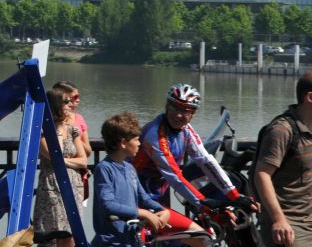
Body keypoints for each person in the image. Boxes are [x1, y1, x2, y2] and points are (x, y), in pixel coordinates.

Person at [92, 111, 207, 247]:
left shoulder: (129, 168)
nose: (139, 143)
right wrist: (144, 213)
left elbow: (144, 198)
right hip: (111, 241)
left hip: (130, 239)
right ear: (123, 143)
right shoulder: (104, 169)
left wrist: (161, 210)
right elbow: (108, 204)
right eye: (136, 140)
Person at [133, 83, 249, 212]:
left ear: (193, 113)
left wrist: (234, 195)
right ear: (167, 106)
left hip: (155, 192)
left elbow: (205, 160)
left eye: (185, 111)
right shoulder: (155, 135)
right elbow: (174, 175)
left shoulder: (186, 130)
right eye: (174, 108)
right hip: (132, 193)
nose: (178, 115)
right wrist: (202, 203)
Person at [251, 71, 312, 246]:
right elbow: (261, 175)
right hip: (289, 223)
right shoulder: (282, 130)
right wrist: (279, 220)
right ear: (310, 97)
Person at [33, 87, 88, 247]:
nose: (70, 105)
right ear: (55, 105)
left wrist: (62, 161)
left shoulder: (73, 130)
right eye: (66, 101)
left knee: (71, 234)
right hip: (52, 185)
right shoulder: (42, 130)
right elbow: (52, 154)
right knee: (51, 235)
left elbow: (83, 161)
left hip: (73, 185)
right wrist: (56, 128)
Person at [54, 81, 91, 204]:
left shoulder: (78, 119)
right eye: (74, 97)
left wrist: (74, 136)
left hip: (77, 172)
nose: (77, 100)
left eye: (78, 97)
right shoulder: (51, 121)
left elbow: (88, 151)